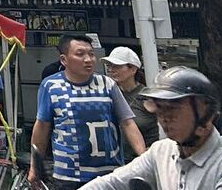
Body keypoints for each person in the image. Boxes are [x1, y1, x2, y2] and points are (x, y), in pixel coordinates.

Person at [80, 68, 222, 190]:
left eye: (173, 109)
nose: (164, 118)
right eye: (159, 109)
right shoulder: (162, 151)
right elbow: (112, 183)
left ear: (205, 115)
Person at [30, 35, 146, 190]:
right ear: (64, 60)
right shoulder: (51, 86)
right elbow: (42, 127)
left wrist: (144, 158)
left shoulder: (107, 84)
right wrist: (34, 167)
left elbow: (127, 122)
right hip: (69, 177)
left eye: (91, 54)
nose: (88, 59)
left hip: (108, 175)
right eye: (80, 54)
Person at [101, 47, 157, 146]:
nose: (111, 70)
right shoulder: (108, 95)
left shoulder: (147, 96)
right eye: (109, 66)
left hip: (144, 153)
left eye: (117, 66)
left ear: (133, 69)